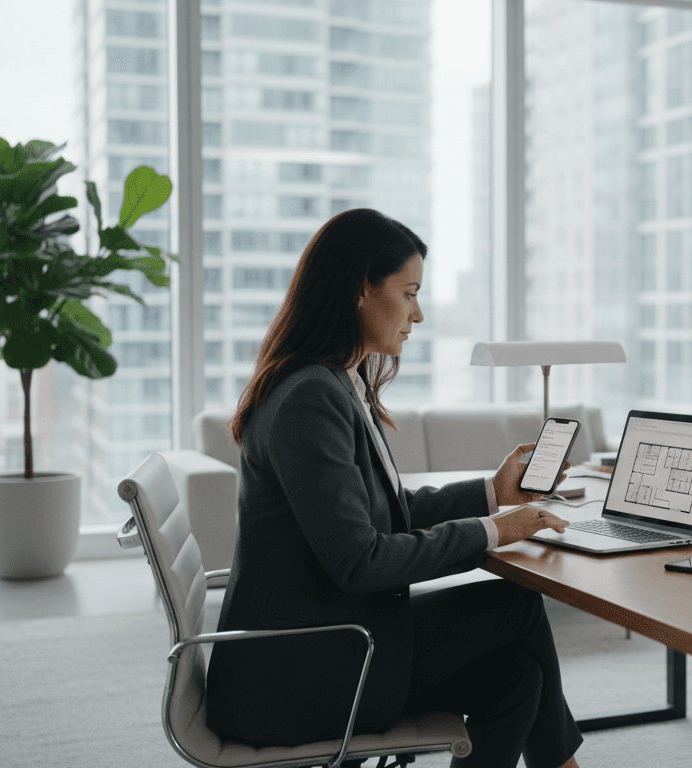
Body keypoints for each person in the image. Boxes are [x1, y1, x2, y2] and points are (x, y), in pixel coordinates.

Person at [205, 208, 585, 768]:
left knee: (516, 679)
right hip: (304, 672)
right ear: (361, 289)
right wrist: (492, 531)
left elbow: (388, 513)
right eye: (408, 293)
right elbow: (361, 561)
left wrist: (493, 492)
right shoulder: (311, 398)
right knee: (517, 606)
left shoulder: (335, 381)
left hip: (325, 644)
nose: (419, 313)